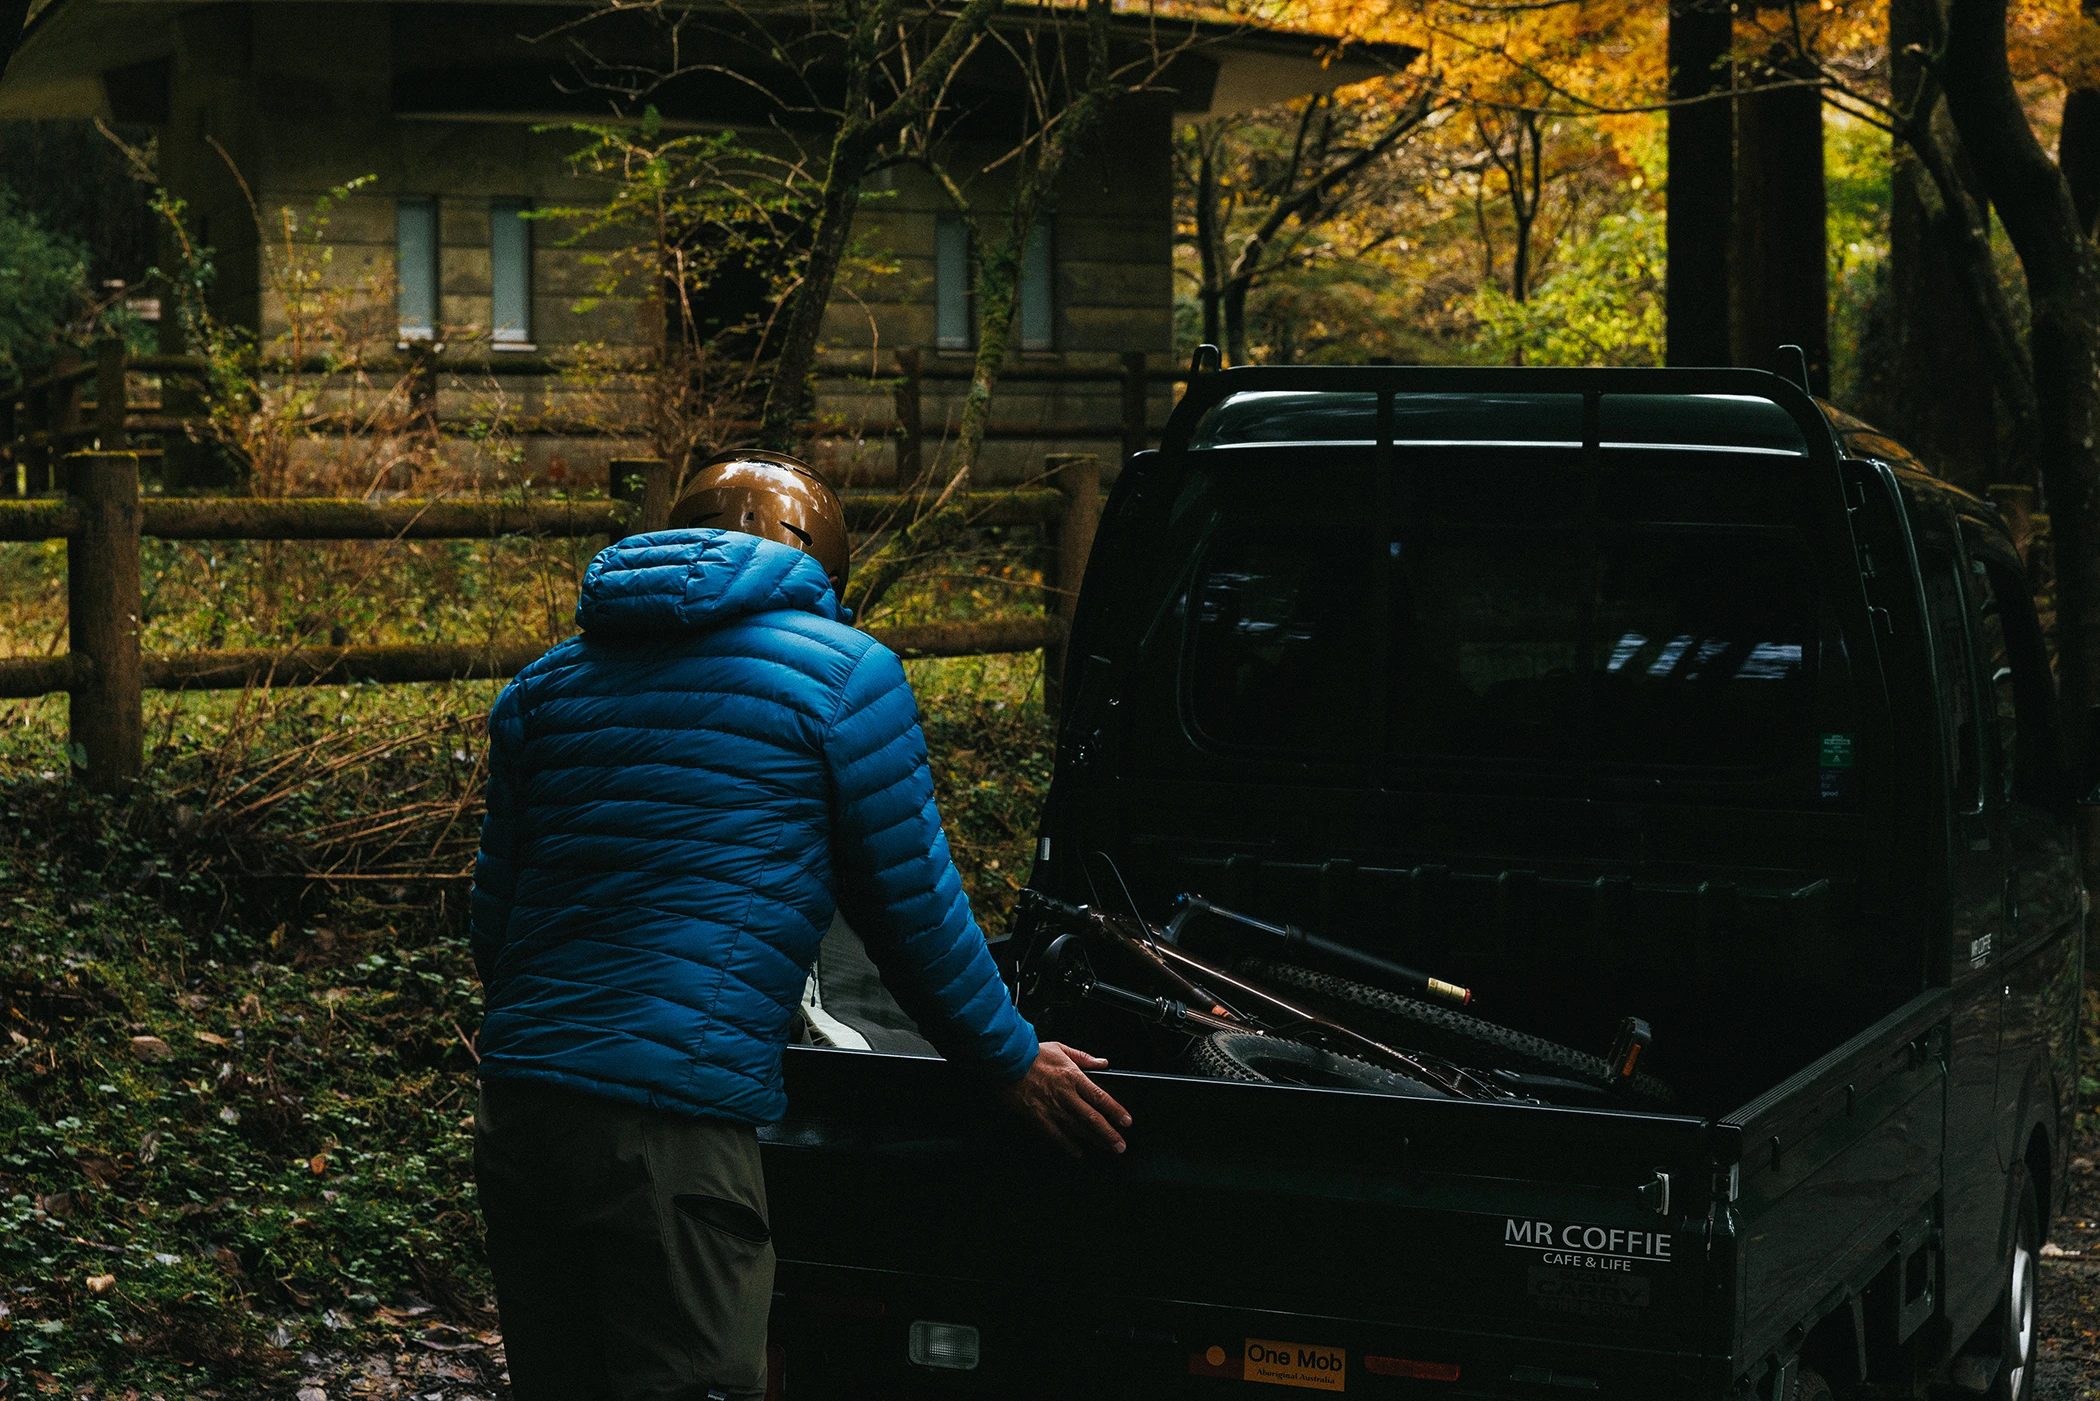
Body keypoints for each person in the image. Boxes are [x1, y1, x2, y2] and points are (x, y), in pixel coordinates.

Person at [466, 449, 1130, 1401]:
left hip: (521, 1111)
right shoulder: (844, 678)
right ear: (821, 558)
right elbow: (915, 910)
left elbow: (496, 930)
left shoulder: (542, 689)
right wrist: (1011, 1061)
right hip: (672, 1127)